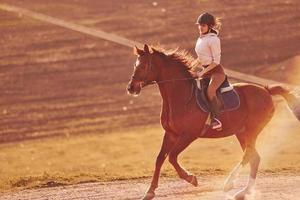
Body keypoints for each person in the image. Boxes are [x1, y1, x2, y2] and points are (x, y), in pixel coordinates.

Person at [195, 12, 226, 130]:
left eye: (203, 25)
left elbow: (216, 61)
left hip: (216, 72)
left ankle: (216, 120)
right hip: (205, 70)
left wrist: (202, 72)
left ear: (209, 27)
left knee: (210, 91)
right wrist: (191, 66)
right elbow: (201, 57)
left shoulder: (214, 40)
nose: (200, 27)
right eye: (199, 25)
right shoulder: (200, 39)